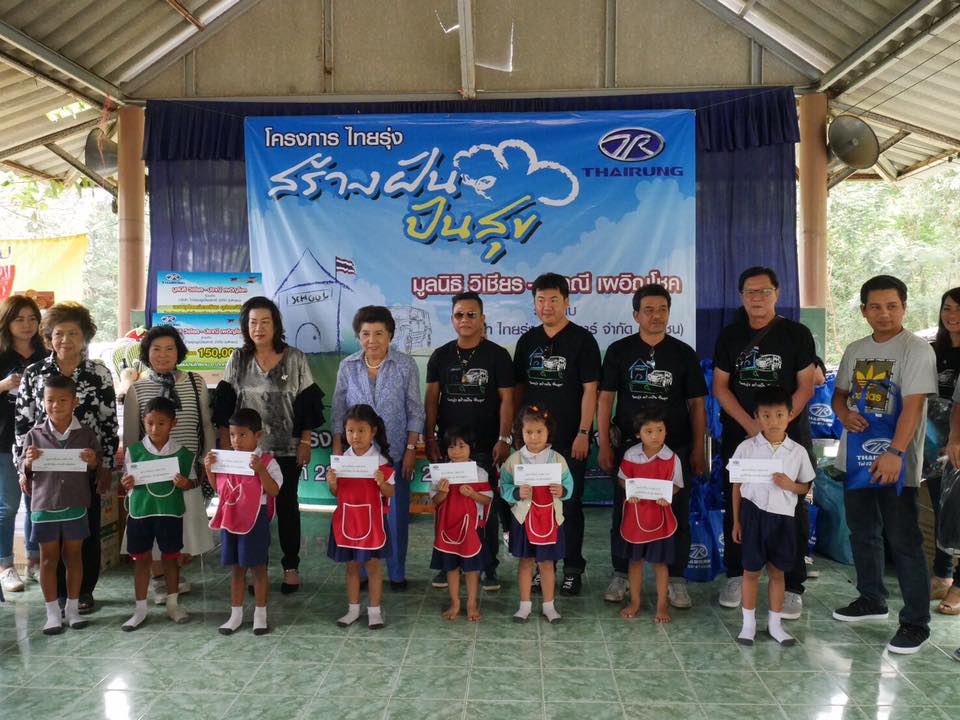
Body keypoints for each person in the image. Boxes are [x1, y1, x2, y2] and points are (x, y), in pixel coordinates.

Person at [831, 275, 937, 655]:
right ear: (863, 310)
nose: (884, 313)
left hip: (896, 463)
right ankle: (871, 599)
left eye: (892, 306)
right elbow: (839, 395)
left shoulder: (916, 350)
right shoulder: (855, 349)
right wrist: (843, 413)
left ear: (904, 307)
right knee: (863, 532)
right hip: (856, 461)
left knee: (904, 541)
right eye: (875, 306)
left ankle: (916, 623)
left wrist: (895, 453)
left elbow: (914, 406)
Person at [712, 267, 815, 617]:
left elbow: (805, 386)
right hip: (743, 436)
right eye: (750, 292)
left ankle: (792, 584)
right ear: (741, 296)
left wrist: (777, 426)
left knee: (792, 503)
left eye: (764, 291)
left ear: (777, 293)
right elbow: (720, 387)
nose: (757, 298)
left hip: (788, 437)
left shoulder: (796, 334)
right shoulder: (730, 335)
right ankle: (737, 573)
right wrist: (752, 426)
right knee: (740, 499)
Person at [598, 283, 707, 608]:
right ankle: (621, 574)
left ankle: (676, 579)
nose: (656, 316)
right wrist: (604, 444)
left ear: (669, 313)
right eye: (648, 310)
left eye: (662, 309)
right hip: (630, 449)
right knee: (625, 510)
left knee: (676, 511)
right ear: (636, 315)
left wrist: (698, 449)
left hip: (676, 449)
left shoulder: (683, 353)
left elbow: (697, 405)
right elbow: (605, 400)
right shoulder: (619, 351)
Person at [215, 297, 324, 594]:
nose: (259, 328)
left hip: (286, 448)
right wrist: (226, 448)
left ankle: (291, 567)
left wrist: (305, 441)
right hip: (248, 455)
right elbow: (224, 407)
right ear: (245, 326)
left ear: (276, 325)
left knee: (287, 506)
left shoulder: (295, 358)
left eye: (265, 322)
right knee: (252, 509)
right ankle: (257, 566)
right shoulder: (238, 359)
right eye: (253, 322)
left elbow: (308, 405)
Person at [15, 302, 118, 614]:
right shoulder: (34, 373)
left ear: (84, 336)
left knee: (84, 531)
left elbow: (109, 423)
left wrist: (104, 466)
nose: (66, 340)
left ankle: (82, 592)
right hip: (44, 470)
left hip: (85, 467)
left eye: (73, 333)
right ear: (49, 337)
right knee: (50, 535)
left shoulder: (99, 373)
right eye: (59, 333)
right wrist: (23, 468)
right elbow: (23, 423)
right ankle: (57, 594)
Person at [513, 273, 600, 596]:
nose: (546, 306)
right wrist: (517, 436)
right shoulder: (527, 341)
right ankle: (541, 566)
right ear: (534, 304)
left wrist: (583, 432)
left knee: (569, 505)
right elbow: (519, 389)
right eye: (540, 300)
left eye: (553, 300)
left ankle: (572, 568)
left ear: (566, 302)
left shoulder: (583, 340)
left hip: (570, 441)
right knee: (537, 504)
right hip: (533, 444)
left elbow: (590, 390)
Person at [425, 291, 513, 593]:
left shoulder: (497, 355)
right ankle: (446, 563)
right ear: (452, 319)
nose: (465, 320)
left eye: (471, 314)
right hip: (450, 449)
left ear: (483, 318)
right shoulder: (441, 355)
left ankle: (488, 567)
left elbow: (507, 399)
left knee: (484, 509)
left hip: (485, 447)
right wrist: (430, 437)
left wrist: (504, 438)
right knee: (446, 504)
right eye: (459, 315)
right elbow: (431, 399)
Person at [331, 306, 425, 590]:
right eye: (365, 334)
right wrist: (338, 447)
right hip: (356, 458)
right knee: (360, 514)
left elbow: (415, 410)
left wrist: (411, 448)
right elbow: (338, 410)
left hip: (394, 453)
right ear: (358, 336)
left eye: (379, 333)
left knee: (395, 517)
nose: (372, 340)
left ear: (390, 335)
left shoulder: (405, 364)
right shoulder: (348, 366)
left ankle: (396, 573)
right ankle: (361, 572)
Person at [123, 324, 215, 604]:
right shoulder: (137, 388)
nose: (163, 355)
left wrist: (206, 460)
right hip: (150, 473)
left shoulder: (195, 382)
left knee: (183, 526)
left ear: (179, 352)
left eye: (169, 349)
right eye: (156, 349)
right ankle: (160, 579)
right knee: (154, 523)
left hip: (185, 470)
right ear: (146, 353)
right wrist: (130, 472)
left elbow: (206, 424)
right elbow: (131, 436)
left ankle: (175, 574)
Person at [730, 386, 815, 647]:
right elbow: (736, 486)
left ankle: (775, 625)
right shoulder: (746, 448)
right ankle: (748, 625)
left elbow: (806, 487)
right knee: (750, 572)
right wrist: (736, 521)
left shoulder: (798, 452)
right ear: (757, 417)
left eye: (779, 415)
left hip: (783, 519)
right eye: (766, 415)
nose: (773, 421)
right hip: (752, 517)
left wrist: (791, 485)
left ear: (790, 415)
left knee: (778, 573)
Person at [17, 375, 101, 634]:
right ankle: (52, 613)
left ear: (75, 401)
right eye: (50, 400)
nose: (56, 405)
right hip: (44, 506)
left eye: (63, 400)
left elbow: (96, 468)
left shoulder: (85, 434)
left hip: (76, 504)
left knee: (74, 557)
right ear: (43, 401)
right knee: (48, 560)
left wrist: (93, 461)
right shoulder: (34, 434)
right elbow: (23, 470)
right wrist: (27, 463)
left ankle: (73, 610)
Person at [119, 397, 194, 630]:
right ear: (143, 421)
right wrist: (126, 483)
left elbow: (192, 482)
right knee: (142, 560)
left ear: (173, 423)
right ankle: (140, 609)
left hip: (170, 514)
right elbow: (126, 480)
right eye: (150, 423)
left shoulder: (183, 454)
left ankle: (173, 605)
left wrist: (185, 483)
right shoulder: (134, 451)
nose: (154, 429)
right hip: (141, 513)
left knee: (171, 559)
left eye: (161, 423)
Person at [205, 408, 282, 636]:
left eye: (242, 435)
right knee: (237, 568)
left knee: (258, 567)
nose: (236, 441)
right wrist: (209, 469)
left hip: (255, 520)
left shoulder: (267, 461)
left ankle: (260, 615)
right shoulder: (226, 459)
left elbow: (274, 490)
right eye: (232, 435)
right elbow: (219, 487)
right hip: (231, 518)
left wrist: (260, 471)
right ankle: (235, 615)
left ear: (257, 435)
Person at [499, 405, 573, 624]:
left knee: (547, 563)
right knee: (525, 562)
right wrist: (515, 493)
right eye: (528, 432)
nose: (534, 437)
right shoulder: (514, 460)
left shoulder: (558, 459)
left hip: (550, 519)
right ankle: (524, 606)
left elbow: (569, 485)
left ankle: (549, 606)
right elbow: (504, 487)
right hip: (524, 520)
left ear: (548, 431)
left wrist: (562, 490)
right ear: (520, 432)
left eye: (539, 431)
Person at [326, 403, 396, 630]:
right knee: (352, 566)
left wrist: (382, 483)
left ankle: (374, 611)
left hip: (373, 521)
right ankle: (353, 609)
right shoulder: (340, 461)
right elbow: (336, 493)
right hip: (348, 520)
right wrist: (332, 483)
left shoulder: (381, 462)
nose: (355, 436)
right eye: (350, 430)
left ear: (373, 431)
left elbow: (390, 493)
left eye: (361, 430)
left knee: (373, 566)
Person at [614, 406, 683, 624]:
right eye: (649, 431)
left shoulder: (672, 458)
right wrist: (630, 491)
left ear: (666, 431)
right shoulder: (630, 455)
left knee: (660, 563)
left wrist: (667, 496)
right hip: (635, 518)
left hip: (660, 519)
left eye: (660, 430)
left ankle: (662, 604)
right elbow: (622, 479)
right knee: (635, 562)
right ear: (638, 434)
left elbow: (677, 485)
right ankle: (634, 602)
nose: (655, 435)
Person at [0, 295, 45, 593]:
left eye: (32, 319)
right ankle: (5, 566)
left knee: (36, 504)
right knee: (7, 506)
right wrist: (5, 385)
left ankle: (35, 561)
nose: (27, 325)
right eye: (19, 319)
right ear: (7, 322)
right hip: (5, 440)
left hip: (40, 441)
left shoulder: (45, 354)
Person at [429, 426, 493, 621]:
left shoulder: (479, 473)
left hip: (470, 529)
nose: (456, 451)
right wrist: (443, 492)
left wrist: (473, 494)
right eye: (451, 447)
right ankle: (455, 602)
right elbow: (435, 501)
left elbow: (487, 500)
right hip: (447, 528)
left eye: (461, 446)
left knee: (472, 568)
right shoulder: (440, 472)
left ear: (471, 448)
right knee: (451, 567)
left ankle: (471, 603)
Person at [927, 288, 960, 614]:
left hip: (958, 441)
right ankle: (942, 575)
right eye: (948, 308)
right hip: (933, 441)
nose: (953, 316)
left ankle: (958, 587)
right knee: (941, 509)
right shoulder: (933, 351)